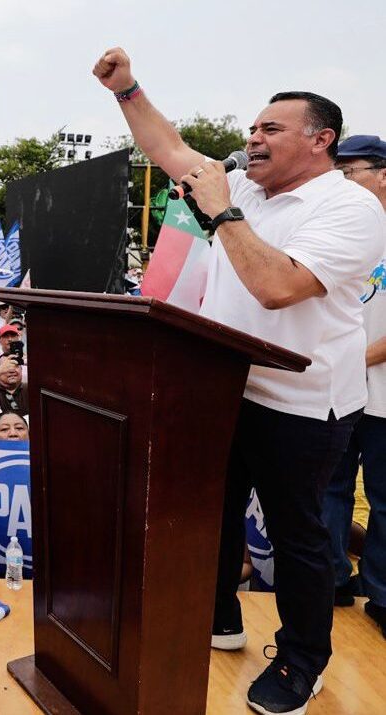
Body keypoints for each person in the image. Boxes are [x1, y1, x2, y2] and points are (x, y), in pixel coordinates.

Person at [94, 47, 386, 713]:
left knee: (298, 534)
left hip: (304, 402)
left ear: (321, 141)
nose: (251, 139)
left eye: (270, 130)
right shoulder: (247, 187)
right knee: (211, 515)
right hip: (222, 390)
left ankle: (300, 660)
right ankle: (219, 617)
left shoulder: (349, 208)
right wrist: (126, 88)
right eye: (251, 128)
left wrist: (222, 212)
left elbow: (276, 286)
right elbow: (167, 146)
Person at [322, 134, 386, 630]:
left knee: (383, 498)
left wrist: (351, 358)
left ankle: (381, 595)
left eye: (350, 170)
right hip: (335, 391)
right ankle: (331, 580)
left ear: (382, 173)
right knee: (329, 488)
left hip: (380, 391)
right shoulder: (338, 227)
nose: (339, 179)